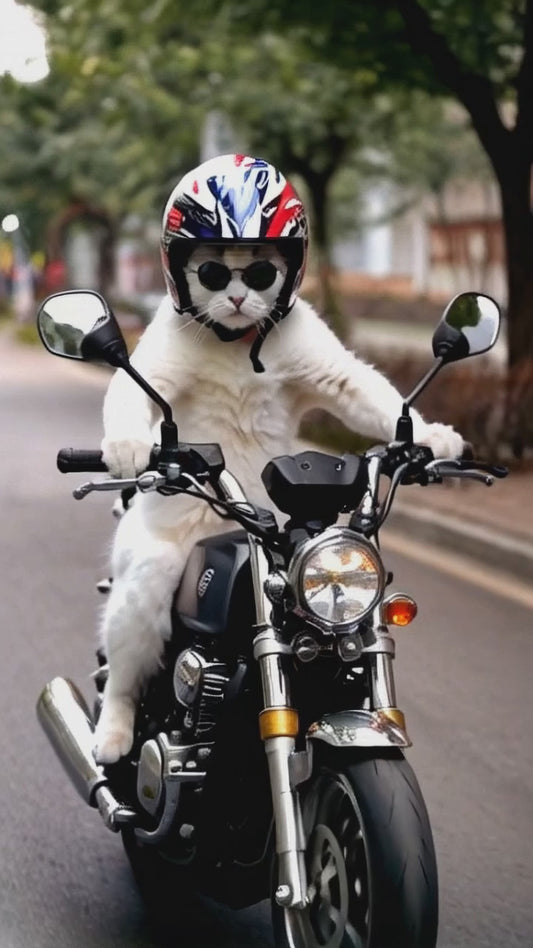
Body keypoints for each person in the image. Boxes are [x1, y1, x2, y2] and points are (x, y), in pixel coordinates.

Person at [94, 154, 464, 763]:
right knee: (154, 570)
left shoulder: (294, 329)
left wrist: (414, 431)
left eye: (258, 276)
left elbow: (347, 384)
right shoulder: (174, 332)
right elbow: (132, 388)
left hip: (268, 525)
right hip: (181, 517)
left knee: (332, 611)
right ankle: (123, 699)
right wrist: (127, 437)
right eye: (213, 274)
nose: (238, 297)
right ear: (180, 271)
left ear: (289, 271)